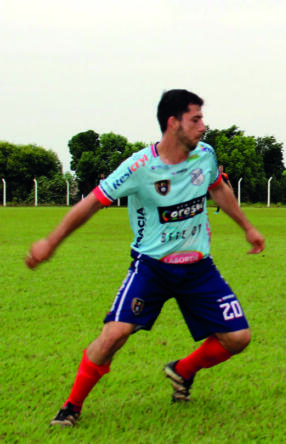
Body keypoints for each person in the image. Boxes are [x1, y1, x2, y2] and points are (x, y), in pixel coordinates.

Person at [26, 89, 265, 427]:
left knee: (238, 338)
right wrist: (51, 243)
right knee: (114, 335)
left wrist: (247, 227)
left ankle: (182, 371)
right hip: (152, 268)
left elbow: (218, 188)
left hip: (198, 268)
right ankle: (71, 407)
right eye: (196, 119)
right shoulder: (139, 167)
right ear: (173, 123)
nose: (203, 126)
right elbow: (92, 203)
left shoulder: (205, 154)